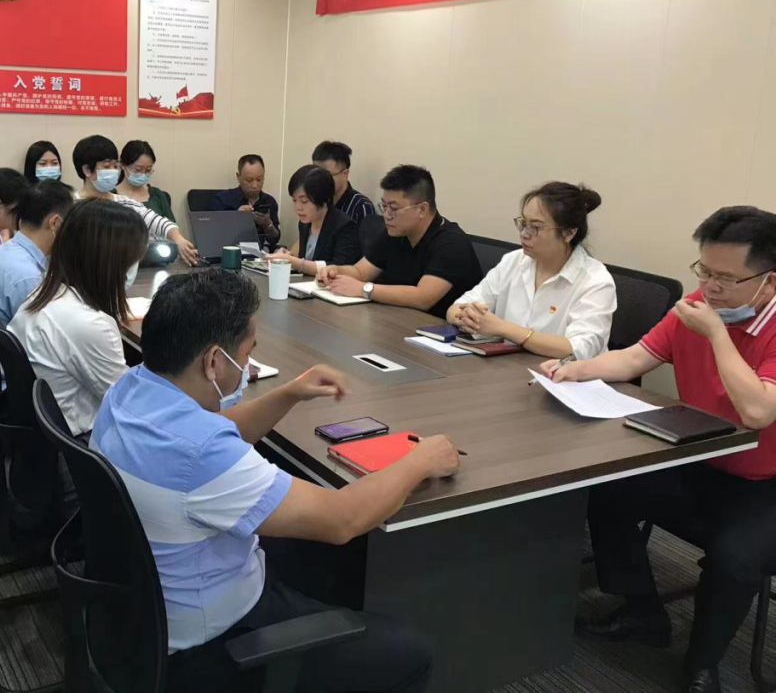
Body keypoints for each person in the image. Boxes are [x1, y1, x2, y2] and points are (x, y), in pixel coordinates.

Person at [93, 268, 458, 692]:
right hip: (209, 645)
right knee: (410, 653)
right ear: (213, 361)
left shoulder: (129, 389)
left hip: (143, 611)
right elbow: (342, 519)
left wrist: (289, 392)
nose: (247, 365)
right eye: (247, 353)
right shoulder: (201, 455)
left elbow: (216, 431)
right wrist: (420, 461)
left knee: (311, 558)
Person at [543, 207, 776, 693]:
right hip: (700, 456)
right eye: (704, 271)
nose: (709, 288)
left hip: (766, 481)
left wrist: (717, 334)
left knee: (734, 559)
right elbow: (635, 358)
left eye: (725, 278)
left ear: (768, 282)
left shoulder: (721, 322)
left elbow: (757, 411)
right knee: (606, 489)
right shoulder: (695, 307)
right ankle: (643, 613)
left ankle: (702, 665)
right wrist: (572, 369)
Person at [9, 199, 147, 439]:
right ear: (113, 263)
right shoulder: (88, 324)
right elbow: (132, 406)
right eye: (134, 260)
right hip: (79, 438)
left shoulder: (46, 292)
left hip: (44, 428)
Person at [445, 182, 616, 360]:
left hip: (562, 374)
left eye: (536, 227)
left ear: (568, 233)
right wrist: (469, 318)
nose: (524, 234)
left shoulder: (595, 280)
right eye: (523, 223)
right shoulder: (514, 261)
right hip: (507, 367)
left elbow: (578, 349)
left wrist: (502, 328)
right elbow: (457, 308)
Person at [320, 165, 482, 318]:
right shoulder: (395, 232)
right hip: (399, 321)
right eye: (384, 206)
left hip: (443, 330)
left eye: (394, 208)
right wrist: (336, 271)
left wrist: (364, 289)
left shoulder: (451, 244)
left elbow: (423, 298)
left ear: (422, 209)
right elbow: (360, 272)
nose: (386, 215)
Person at [72, 135, 198, 266]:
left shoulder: (125, 203)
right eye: (107, 166)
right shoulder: (70, 206)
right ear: (87, 170)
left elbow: (157, 222)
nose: (114, 171)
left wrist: (178, 239)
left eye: (116, 166)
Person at [0, 180, 74, 328]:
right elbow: (45, 333)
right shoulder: (29, 278)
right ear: (54, 223)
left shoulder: (3, 250)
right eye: (70, 222)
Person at [266, 164, 360, 277]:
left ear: (324, 199)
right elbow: (303, 258)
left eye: (304, 201)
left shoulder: (345, 226)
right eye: (294, 200)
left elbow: (337, 268)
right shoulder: (305, 224)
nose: (298, 207)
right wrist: (287, 256)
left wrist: (294, 261)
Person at [209, 154, 281, 250]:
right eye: (249, 180)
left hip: (259, 253)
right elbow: (211, 235)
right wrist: (236, 218)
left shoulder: (269, 201)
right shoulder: (222, 200)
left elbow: (275, 240)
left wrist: (267, 224)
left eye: (259, 179)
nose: (255, 185)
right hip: (229, 252)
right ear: (238, 177)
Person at [311, 141, 376, 228]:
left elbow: (366, 236)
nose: (319, 179)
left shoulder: (361, 206)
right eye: (315, 173)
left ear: (345, 174)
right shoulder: (315, 201)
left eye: (326, 174)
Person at [115, 139, 174, 222]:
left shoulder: (157, 195)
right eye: (138, 170)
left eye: (148, 170)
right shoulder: (110, 197)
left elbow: (172, 226)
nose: (143, 174)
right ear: (122, 165)